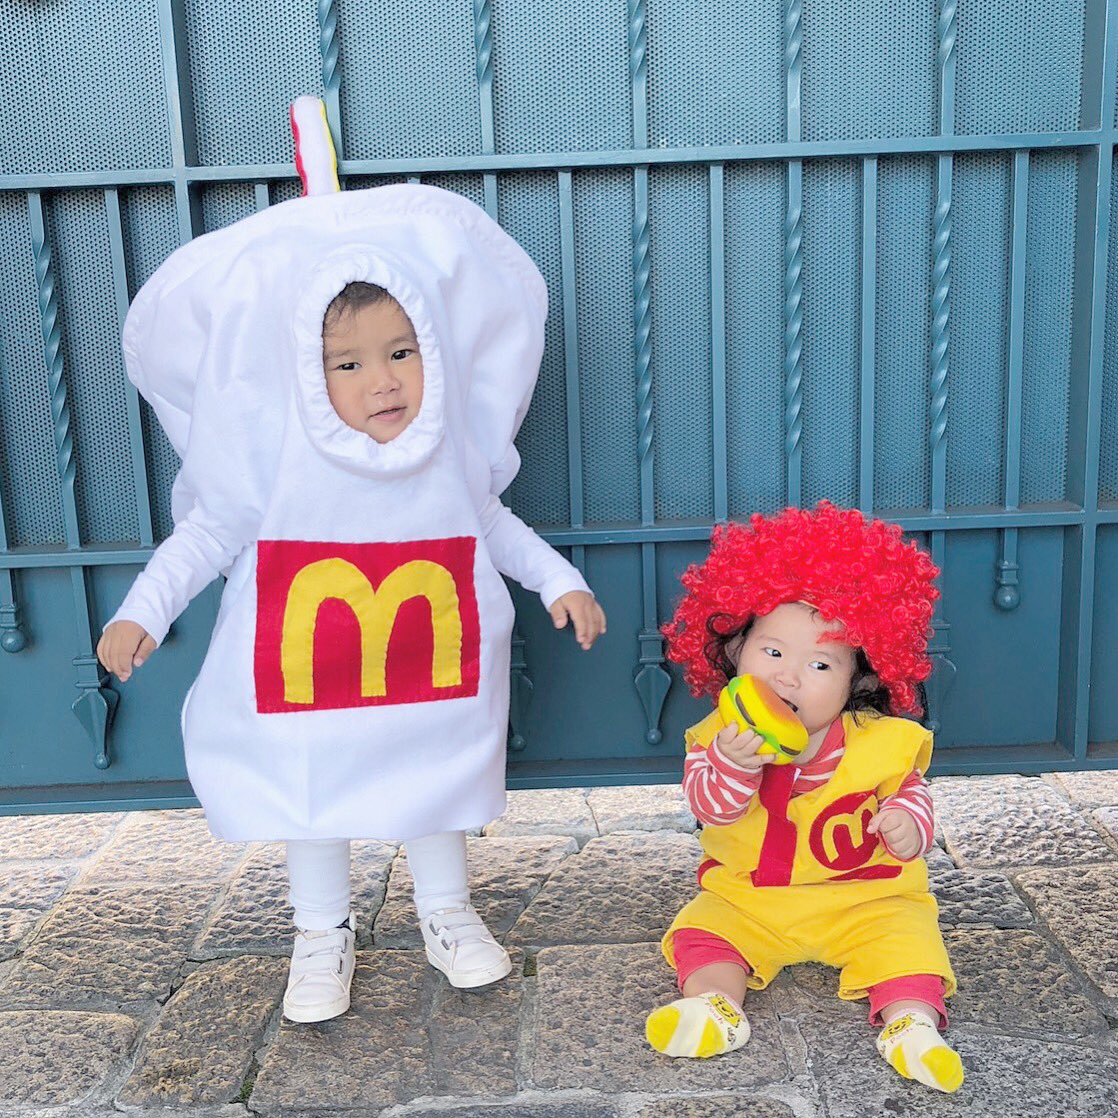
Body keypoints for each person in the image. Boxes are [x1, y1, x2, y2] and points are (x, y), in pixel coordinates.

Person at [97, 181, 605, 1024]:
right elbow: (205, 534)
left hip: (425, 671)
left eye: (402, 353)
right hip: (315, 675)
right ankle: (319, 932)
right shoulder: (271, 467)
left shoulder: (448, 456)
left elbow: (492, 521)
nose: (383, 381)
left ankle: (447, 910)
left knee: (433, 784)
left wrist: (561, 581)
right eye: (349, 362)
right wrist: (143, 610)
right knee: (311, 794)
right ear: (306, 369)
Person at [645, 502, 962, 1094]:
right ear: (737, 650)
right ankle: (715, 1005)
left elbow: (912, 793)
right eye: (773, 652)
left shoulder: (885, 744)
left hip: (867, 900)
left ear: (859, 680)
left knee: (911, 942)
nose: (789, 676)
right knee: (702, 932)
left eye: (820, 662)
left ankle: (911, 1024)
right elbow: (710, 809)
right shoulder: (717, 737)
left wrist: (905, 822)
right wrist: (733, 767)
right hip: (751, 900)